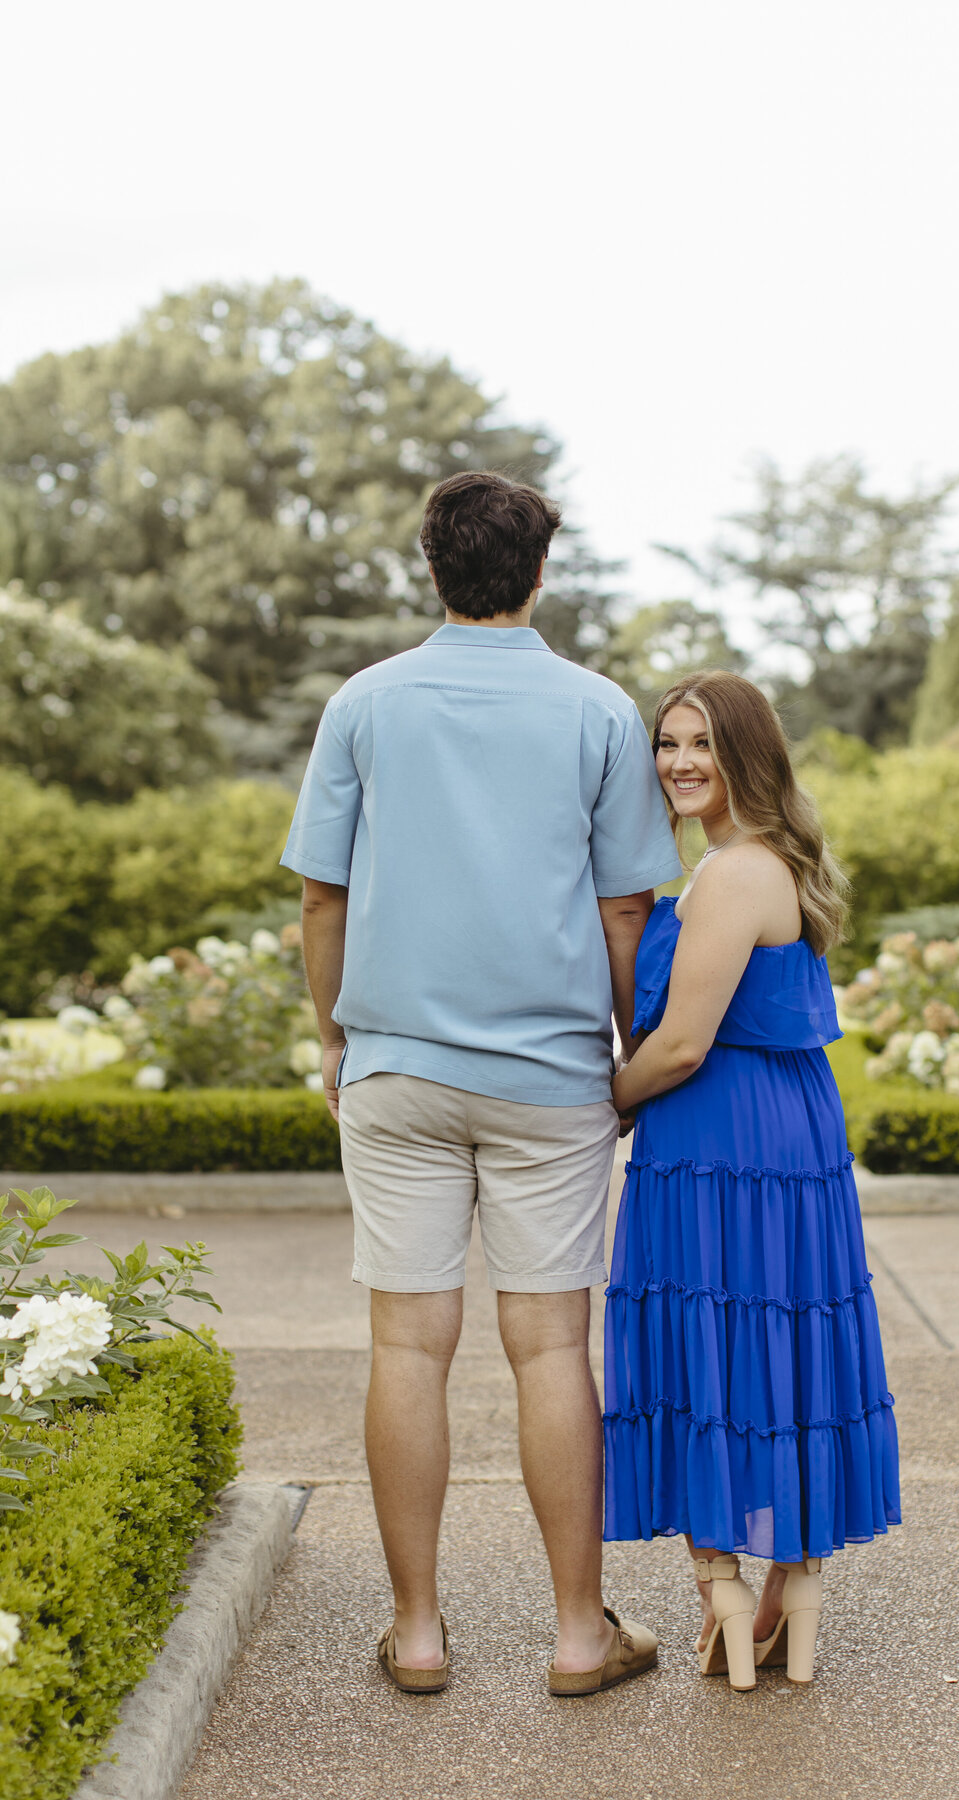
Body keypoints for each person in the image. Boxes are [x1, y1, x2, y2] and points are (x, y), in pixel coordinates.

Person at [281, 471, 679, 1696]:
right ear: (542, 570)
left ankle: (417, 1636)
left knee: (408, 1344)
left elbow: (318, 896)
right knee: (552, 1345)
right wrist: (621, 1045)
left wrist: (338, 1040)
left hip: (396, 1067)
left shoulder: (365, 704)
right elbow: (625, 904)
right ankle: (575, 1636)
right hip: (550, 1076)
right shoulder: (599, 710)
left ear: (431, 565)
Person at [603, 670, 901, 1691]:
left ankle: (722, 1584)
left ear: (748, 755)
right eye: (667, 743)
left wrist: (608, 1094)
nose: (680, 763)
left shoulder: (731, 874)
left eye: (703, 744)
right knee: (780, 1340)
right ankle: (791, 1591)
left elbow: (682, 1044)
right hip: (790, 1136)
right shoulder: (774, 864)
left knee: (711, 1345)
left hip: (720, 1139)